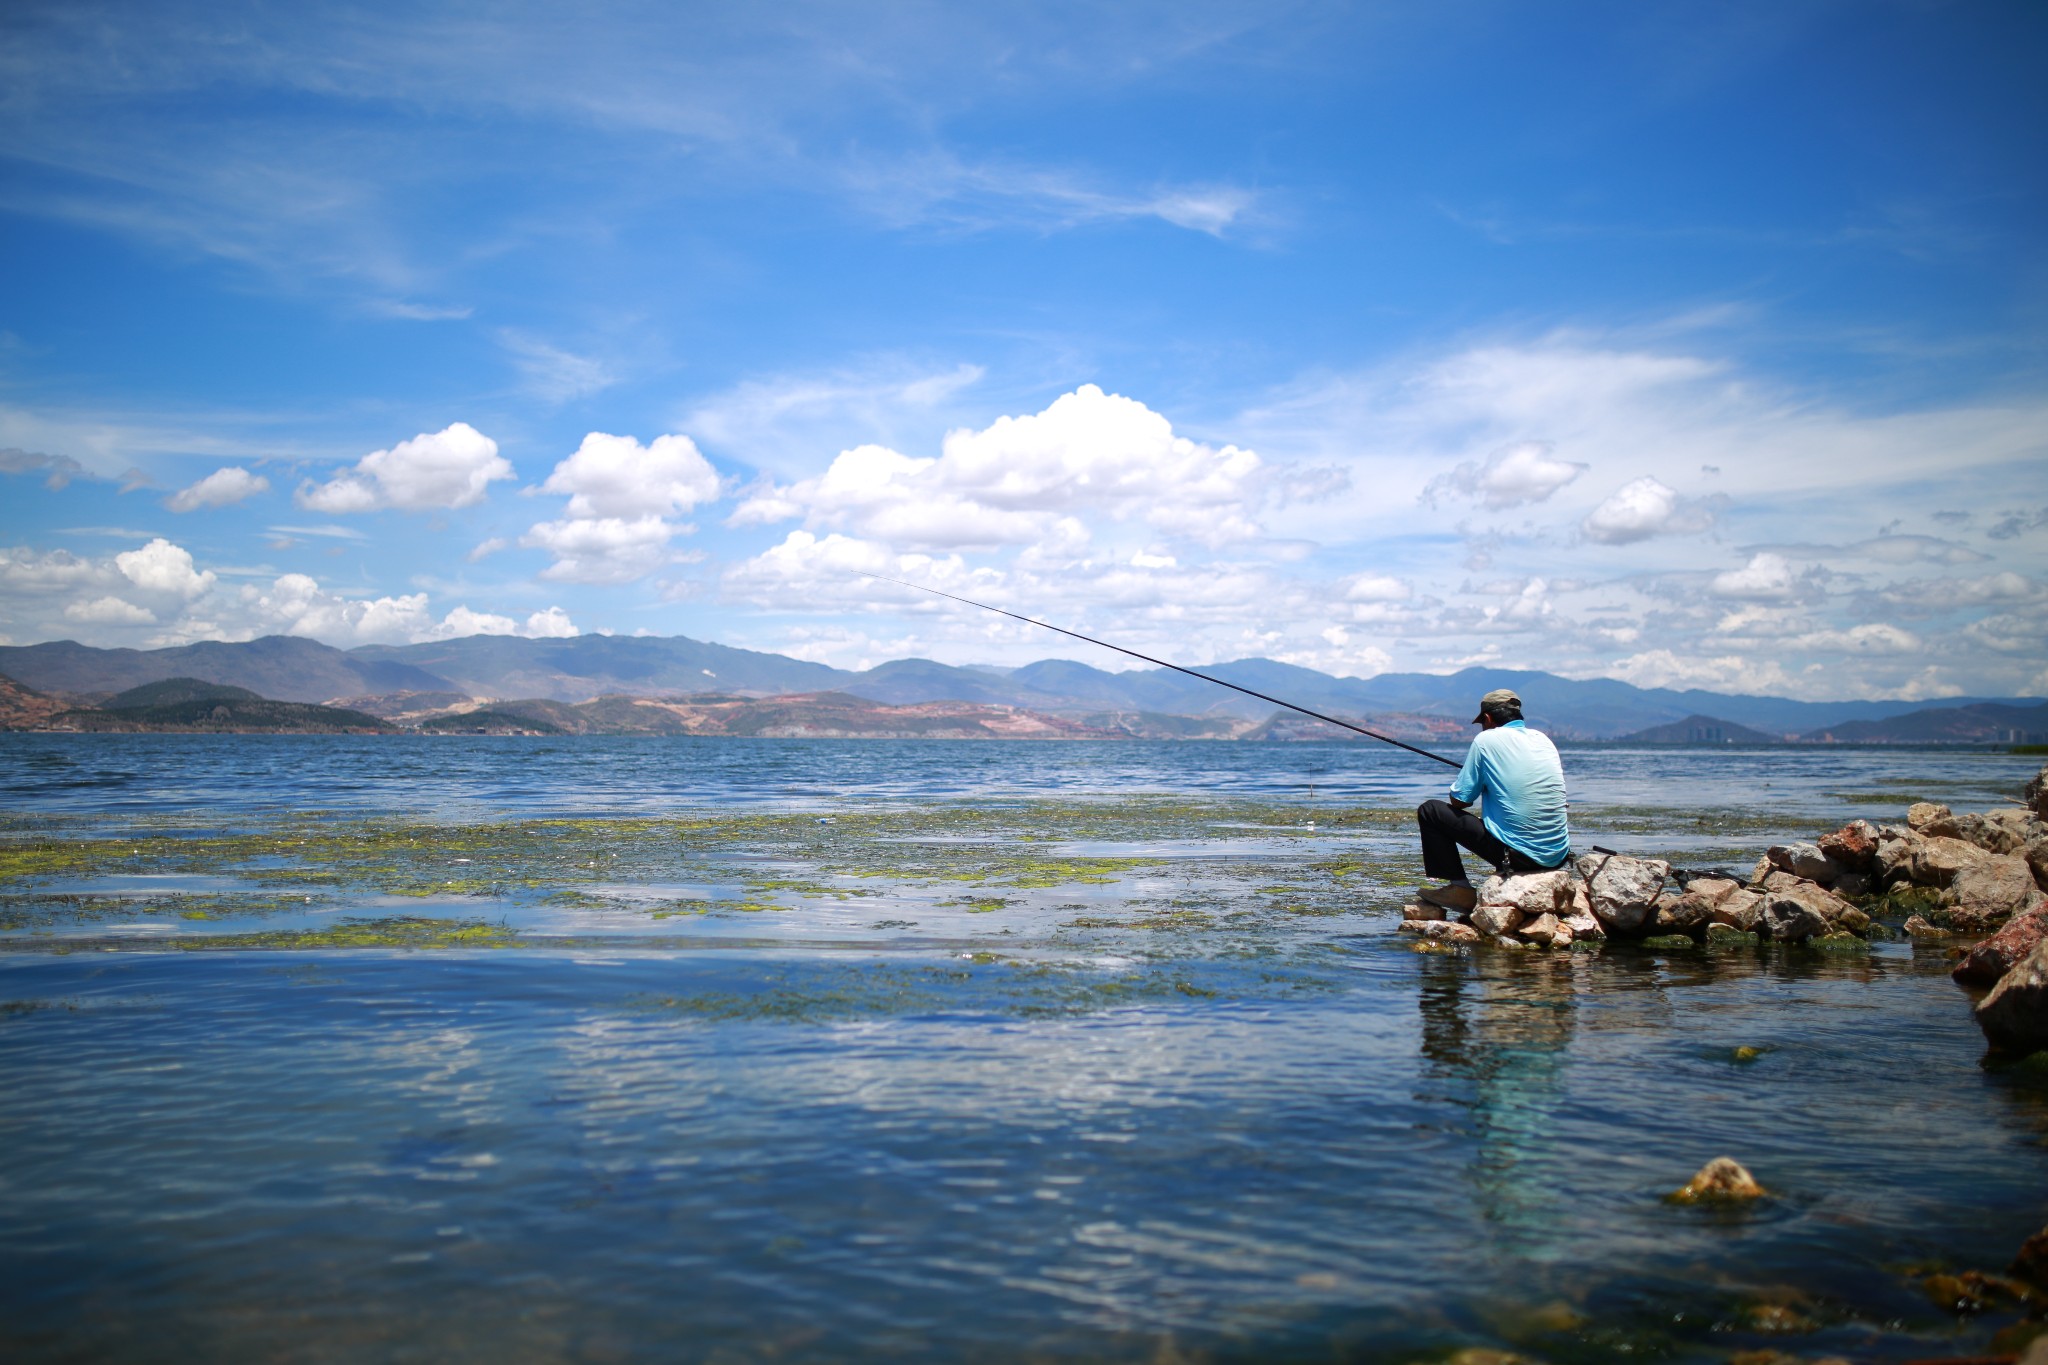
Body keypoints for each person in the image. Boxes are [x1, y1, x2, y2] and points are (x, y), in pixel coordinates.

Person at [1415, 688, 1570, 912]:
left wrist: (1477, 781)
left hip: (1519, 857)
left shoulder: (1486, 740)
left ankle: (1460, 889)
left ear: (1487, 718)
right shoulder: (1543, 740)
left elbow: (1460, 800)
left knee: (1430, 810)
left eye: (1482, 723)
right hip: (1557, 856)